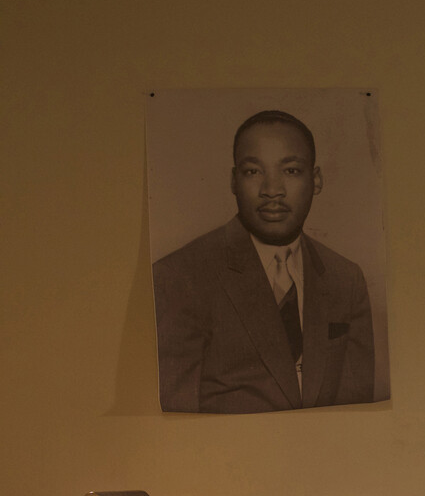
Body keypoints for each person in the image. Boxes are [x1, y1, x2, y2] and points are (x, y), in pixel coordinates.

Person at [152, 109, 376, 413]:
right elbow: (174, 425)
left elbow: (359, 414)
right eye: (253, 172)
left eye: (291, 171)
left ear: (317, 179)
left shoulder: (345, 278)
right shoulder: (179, 277)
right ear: (234, 181)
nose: (272, 191)